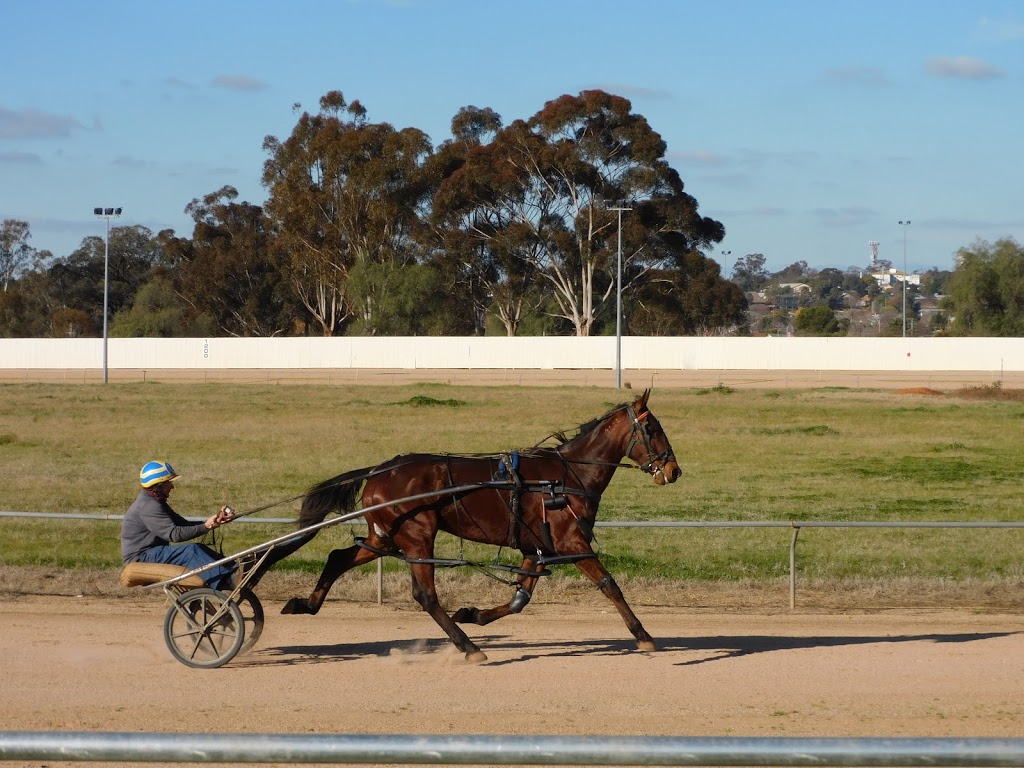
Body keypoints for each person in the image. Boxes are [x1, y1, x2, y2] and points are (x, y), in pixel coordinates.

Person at [120, 460, 236, 590]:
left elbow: (183, 525)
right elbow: (174, 534)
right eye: (169, 483)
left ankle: (233, 569)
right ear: (158, 486)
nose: (172, 487)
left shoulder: (155, 502)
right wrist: (206, 526)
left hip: (151, 553)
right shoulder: (149, 506)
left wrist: (214, 521)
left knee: (198, 548)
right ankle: (228, 579)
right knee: (191, 551)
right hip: (141, 558)